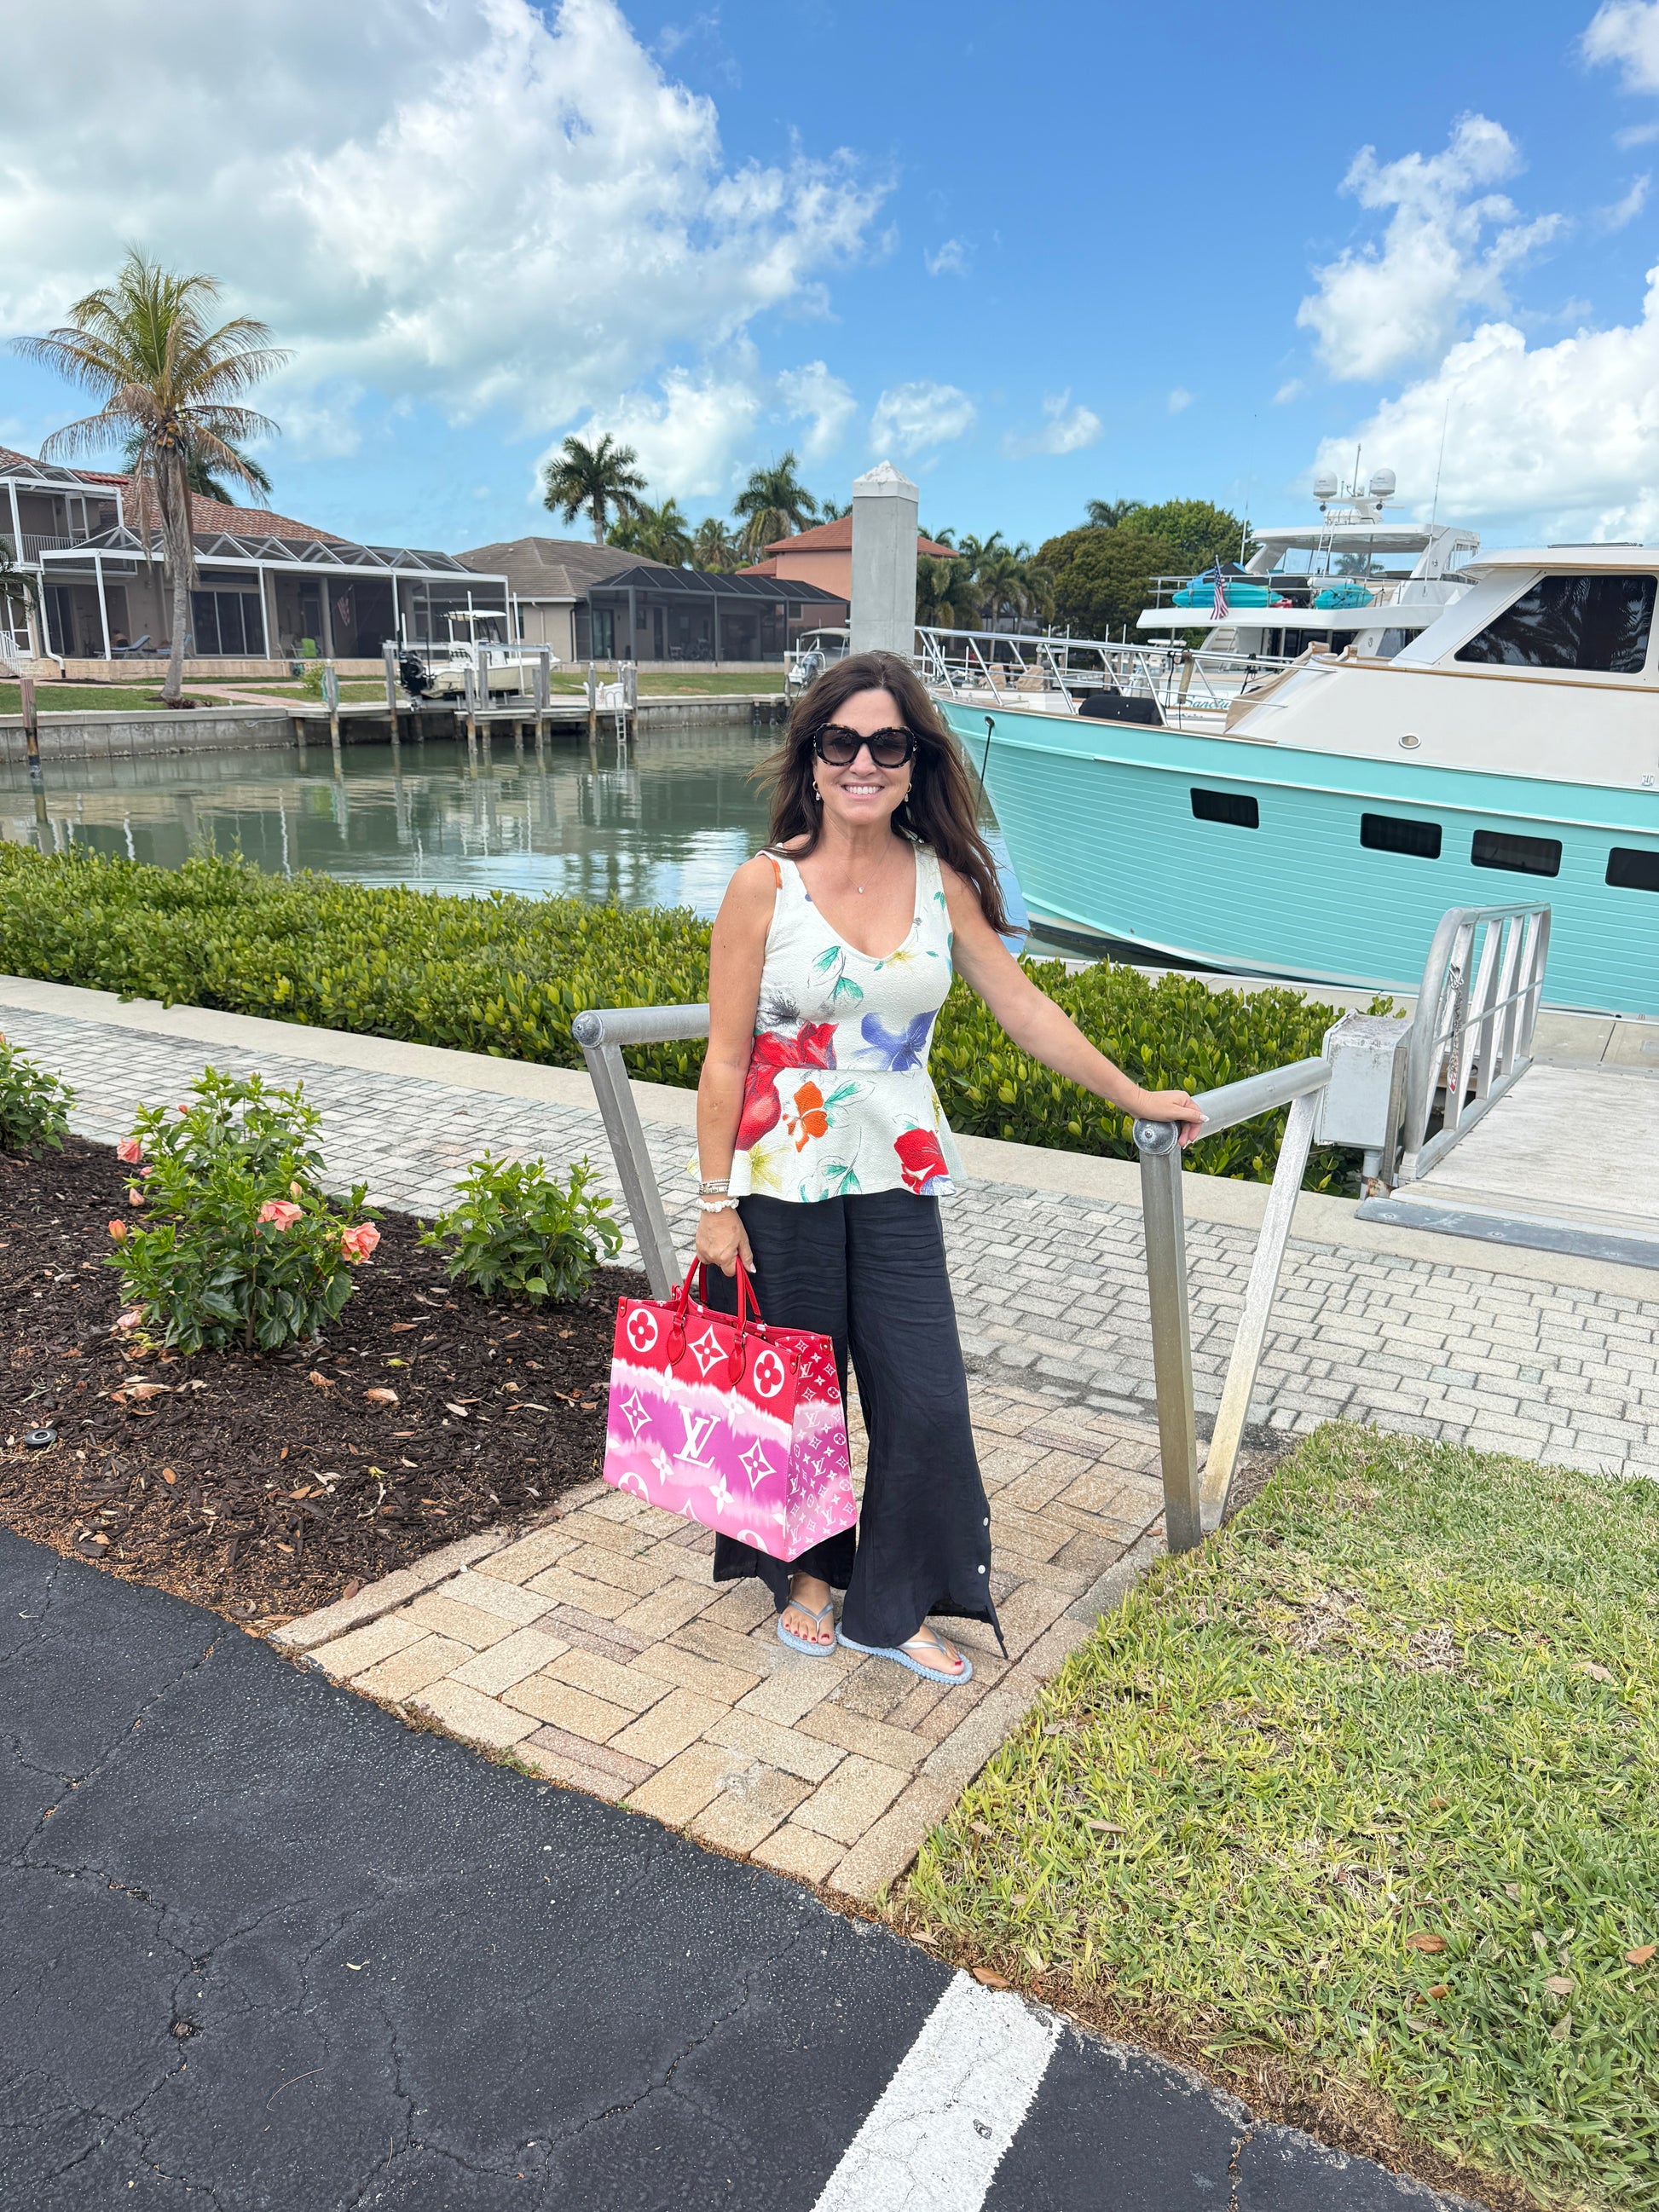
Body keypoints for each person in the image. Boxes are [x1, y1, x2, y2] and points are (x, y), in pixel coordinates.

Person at [694, 650, 1203, 1684]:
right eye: (843, 742)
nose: (863, 763)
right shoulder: (763, 885)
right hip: (779, 1183)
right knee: (798, 1394)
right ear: (814, 756)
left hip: (894, 1176)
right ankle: (805, 1576)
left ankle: (889, 1603)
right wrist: (712, 1202)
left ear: (914, 760)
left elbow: (1024, 1009)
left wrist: (1135, 1097)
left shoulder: (943, 883)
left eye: (887, 743)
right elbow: (723, 1053)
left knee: (923, 1396)